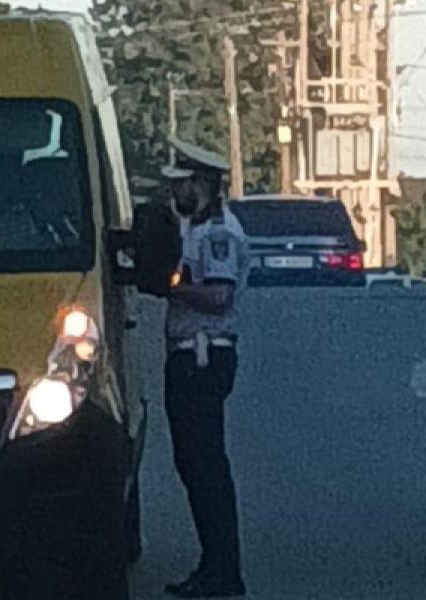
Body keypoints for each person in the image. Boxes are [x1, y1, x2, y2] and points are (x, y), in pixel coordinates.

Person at [159, 137, 250, 598]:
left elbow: (219, 296)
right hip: (189, 355)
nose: (174, 191)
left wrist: (170, 286)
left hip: (203, 356)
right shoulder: (193, 228)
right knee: (193, 465)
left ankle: (224, 572)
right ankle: (213, 565)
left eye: (182, 183)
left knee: (206, 466)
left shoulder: (218, 233)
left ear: (204, 185)